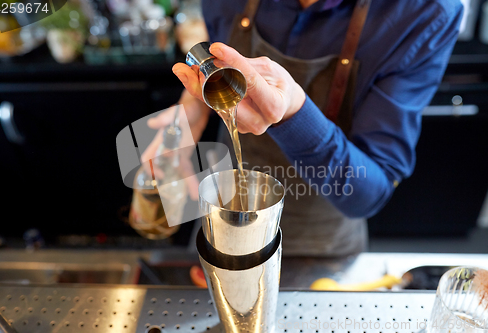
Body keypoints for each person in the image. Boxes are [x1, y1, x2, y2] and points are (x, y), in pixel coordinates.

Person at [144, 0, 463, 257]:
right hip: (223, 224)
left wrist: (294, 114)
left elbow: (370, 190)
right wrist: (194, 108)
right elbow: (219, 55)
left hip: (318, 246)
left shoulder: (424, 12)